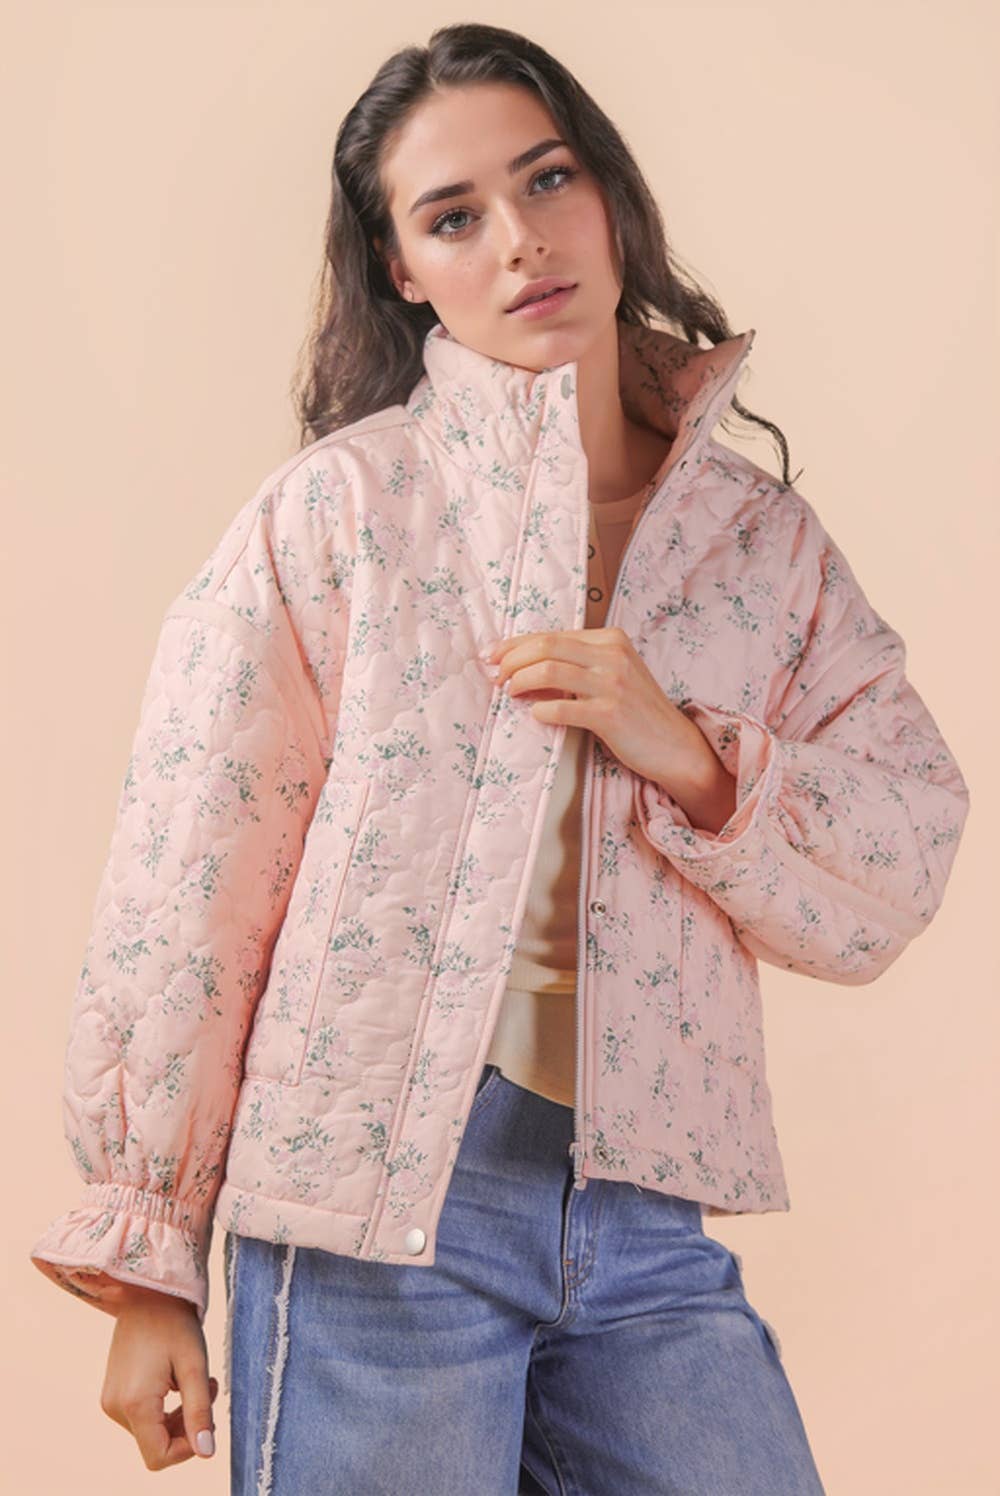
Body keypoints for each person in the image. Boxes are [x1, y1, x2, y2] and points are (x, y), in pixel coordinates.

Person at [28, 22, 970, 1495]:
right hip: (368, 1217)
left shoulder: (762, 547)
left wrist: (691, 755)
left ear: (610, 194)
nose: (521, 240)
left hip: (645, 1212)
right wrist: (150, 1263)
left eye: (548, 179)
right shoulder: (341, 515)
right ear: (402, 267)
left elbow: (905, 848)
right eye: (454, 216)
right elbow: (191, 889)